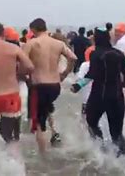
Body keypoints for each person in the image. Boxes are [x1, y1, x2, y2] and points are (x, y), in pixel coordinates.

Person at [23, 18, 77, 152]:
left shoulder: (32, 43)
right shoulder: (58, 43)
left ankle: (43, 155)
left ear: (33, 29)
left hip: (39, 85)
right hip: (55, 86)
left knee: (39, 123)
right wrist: (64, 73)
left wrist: (25, 77)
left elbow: (22, 63)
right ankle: (54, 133)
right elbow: (73, 57)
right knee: (46, 109)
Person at [84, 28, 125, 157]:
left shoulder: (95, 54)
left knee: (91, 123)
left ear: (97, 39)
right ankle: (122, 159)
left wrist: (78, 85)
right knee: (117, 133)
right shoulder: (119, 54)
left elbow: (92, 73)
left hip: (98, 96)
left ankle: (101, 151)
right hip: (116, 96)